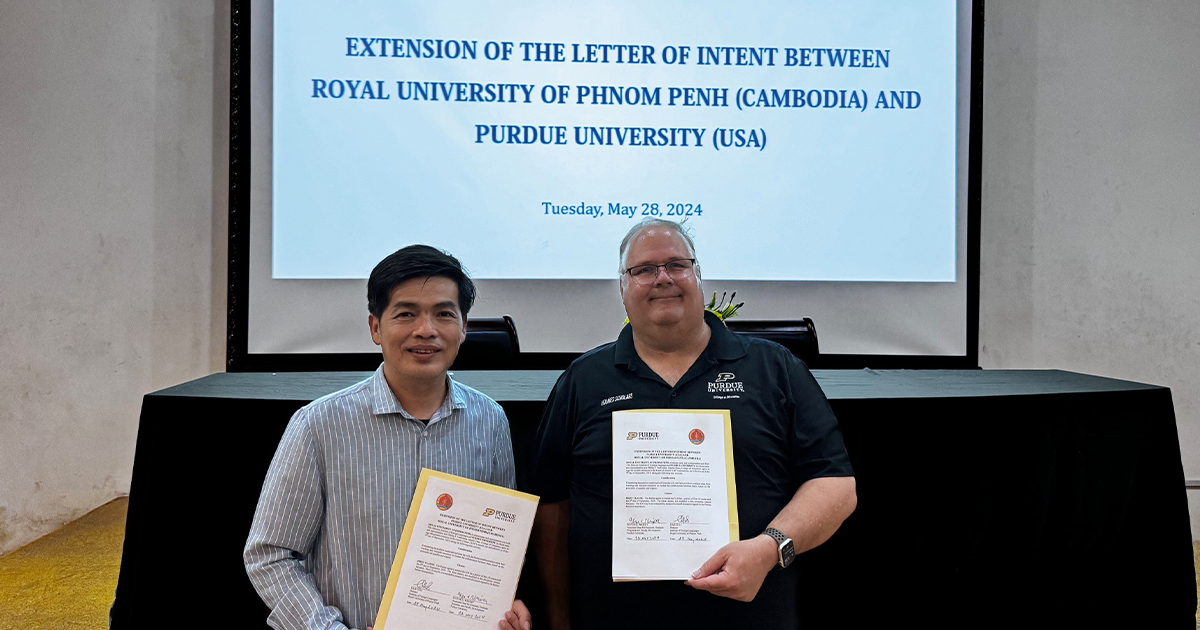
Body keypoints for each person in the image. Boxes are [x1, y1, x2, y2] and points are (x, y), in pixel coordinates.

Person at [530, 219, 857, 630]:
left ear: (698, 276)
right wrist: (559, 618)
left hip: (750, 619)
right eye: (644, 269)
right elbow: (551, 504)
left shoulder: (774, 368)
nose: (662, 278)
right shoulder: (583, 379)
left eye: (677, 265)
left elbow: (836, 487)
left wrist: (769, 548)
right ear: (622, 288)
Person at [244, 245, 532, 630]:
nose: (425, 330)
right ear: (375, 327)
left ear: (464, 327)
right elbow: (270, 554)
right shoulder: (318, 425)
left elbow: (497, 548)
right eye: (406, 313)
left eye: (444, 314)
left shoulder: (490, 421)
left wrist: (505, 608)